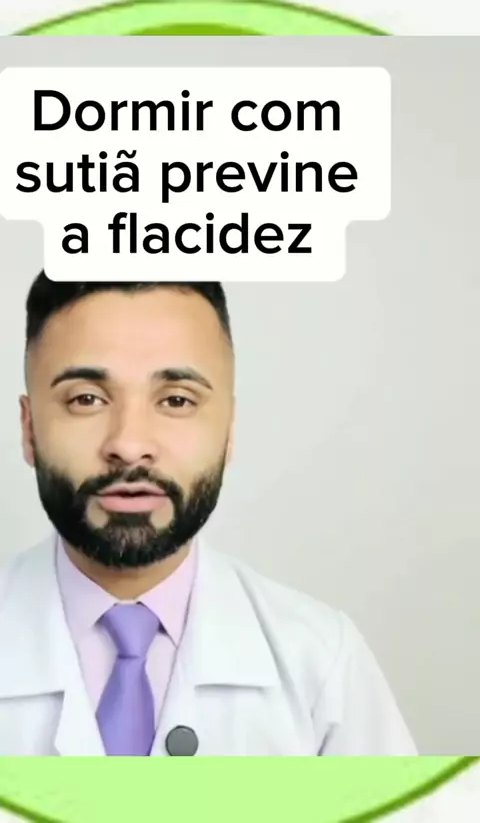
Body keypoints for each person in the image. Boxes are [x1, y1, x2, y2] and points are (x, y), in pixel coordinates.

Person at [0, 273, 417, 756]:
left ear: (229, 429)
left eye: (176, 400)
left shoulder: (322, 662)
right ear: (29, 429)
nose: (129, 445)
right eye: (86, 399)